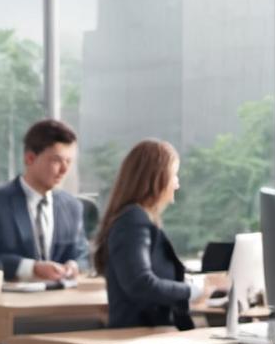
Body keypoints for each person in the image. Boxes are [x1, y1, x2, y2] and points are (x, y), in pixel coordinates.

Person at [94, 140, 227, 329]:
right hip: (138, 336)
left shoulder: (138, 219)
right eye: (174, 175)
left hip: (151, 333)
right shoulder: (133, 220)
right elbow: (140, 284)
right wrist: (192, 291)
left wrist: (199, 284)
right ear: (156, 177)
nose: (177, 184)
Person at [0, 119, 90, 281]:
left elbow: (83, 256)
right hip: (8, 302)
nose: (64, 169)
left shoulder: (72, 206)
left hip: (61, 301)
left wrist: (74, 265)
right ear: (29, 159)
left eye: (68, 161)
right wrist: (31, 268)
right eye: (56, 160)